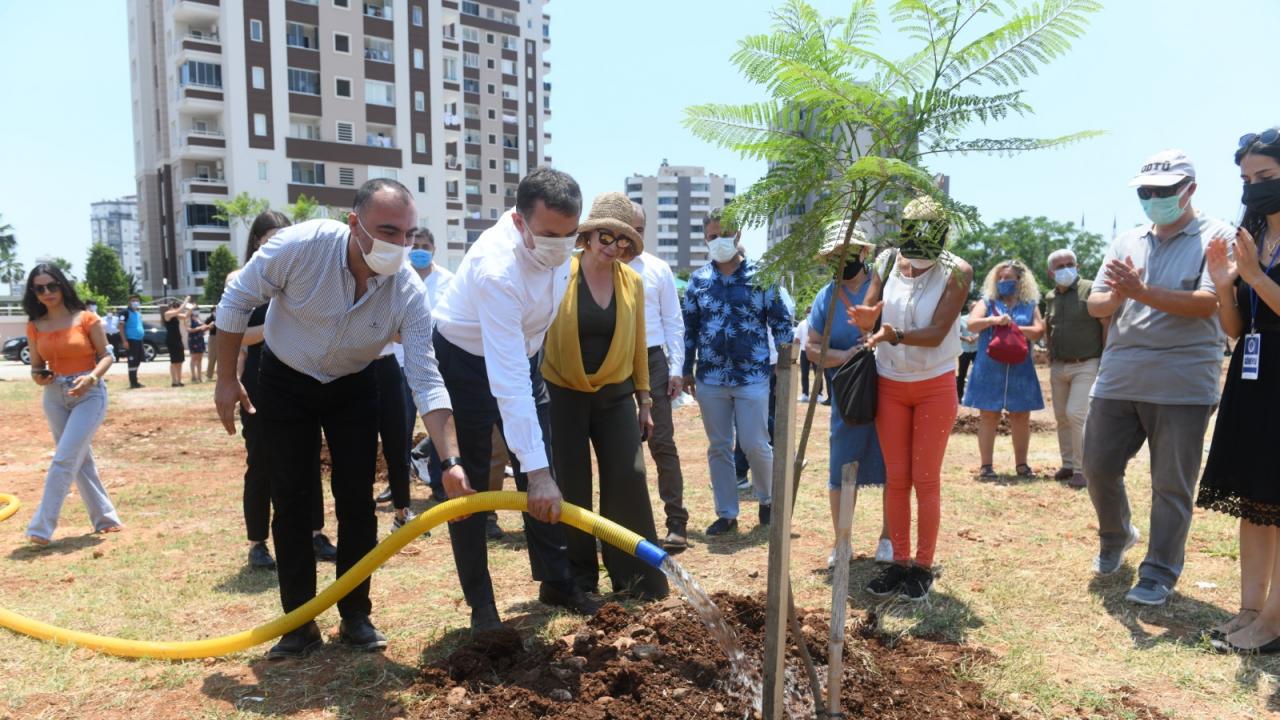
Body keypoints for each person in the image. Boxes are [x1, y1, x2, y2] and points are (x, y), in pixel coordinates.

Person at [215, 179, 463, 658]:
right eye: (387, 230)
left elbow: (426, 378)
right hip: (286, 379)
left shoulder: (408, 291)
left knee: (356, 502)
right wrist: (227, 379)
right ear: (354, 223)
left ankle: (355, 615)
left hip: (353, 385)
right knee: (291, 498)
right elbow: (234, 300)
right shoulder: (301, 247)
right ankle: (299, 622)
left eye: (408, 234)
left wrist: (449, 459)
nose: (400, 245)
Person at [431, 166, 601, 633]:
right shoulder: (496, 268)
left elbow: (524, 355)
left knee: (541, 469)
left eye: (570, 234)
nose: (561, 245)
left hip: (522, 356)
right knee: (467, 484)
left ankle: (556, 581)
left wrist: (539, 472)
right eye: (549, 234)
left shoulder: (560, 247)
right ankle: (482, 606)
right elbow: (504, 379)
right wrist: (537, 473)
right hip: (464, 360)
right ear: (518, 220)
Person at [1083, 149, 1229, 607]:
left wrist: (1141, 291)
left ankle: (1159, 572)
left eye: (1164, 192)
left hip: (1182, 381)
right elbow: (1096, 303)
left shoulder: (1217, 236)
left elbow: (1209, 304)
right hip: (1120, 375)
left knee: (1171, 484)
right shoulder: (1127, 241)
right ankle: (1116, 535)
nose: (1153, 199)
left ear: (1190, 190)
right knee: (1097, 465)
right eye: (1146, 192)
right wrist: (1117, 298)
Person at [542, 192, 668, 599]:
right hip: (563, 392)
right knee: (571, 486)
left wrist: (645, 399)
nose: (615, 247)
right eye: (607, 237)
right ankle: (577, 578)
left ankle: (634, 577)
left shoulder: (632, 281)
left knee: (628, 479)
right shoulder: (561, 272)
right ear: (589, 234)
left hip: (616, 394)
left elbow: (638, 344)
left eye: (625, 241)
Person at [849, 196, 972, 601]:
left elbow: (938, 332)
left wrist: (893, 334)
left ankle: (922, 566)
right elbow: (870, 306)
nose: (916, 261)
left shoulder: (957, 271)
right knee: (896, 478)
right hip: (890, 383)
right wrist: (868, 319)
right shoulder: (886, 261)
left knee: (925, 478)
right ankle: (899, 563)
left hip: (935, 383)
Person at [1198, 129, 1280, 652]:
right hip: (1252, 381)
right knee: (1255, 501)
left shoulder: (1256, 253)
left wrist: (1253, 273)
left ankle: (1274, 623)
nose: (1253, 189)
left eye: (1266, 177)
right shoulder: (1252, 236)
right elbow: (1235, 329)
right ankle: (1250, 609)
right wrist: (1226, 283)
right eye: (1247, 179)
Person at [231, 210, 335, 571]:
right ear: (257, 240)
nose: (278, 241)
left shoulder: (301, 274)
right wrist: (275, 324)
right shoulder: (241, 278)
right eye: (271, 235)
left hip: (300, 374)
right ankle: (258, 543)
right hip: (260, 379)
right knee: (260, 460)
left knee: (308, 459)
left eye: (285, 234)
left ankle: (315, 533)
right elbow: (235, 335)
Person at [682, 208, 793, 536]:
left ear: (738, 236)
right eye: (712, 236)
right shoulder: (698, 281)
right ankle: (726, 513)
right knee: (719, 445)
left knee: (755, 443)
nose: (718, 241)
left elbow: (781, 322)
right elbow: (690, 327)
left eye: (724, 235)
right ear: (705, 238)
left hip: (753, 376)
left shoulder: (762, 276)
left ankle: (768, 497)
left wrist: (785, 364)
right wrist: (687, 369)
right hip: (711, 378)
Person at [805, 226, 890, 568]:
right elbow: (811, 347)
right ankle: (842, 541)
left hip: (888, 386)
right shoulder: (826, 296)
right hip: (848, 393)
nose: (841, 261)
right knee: (842, 465)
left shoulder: (886, 287)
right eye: (834, 257)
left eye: (848, 253)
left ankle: (888, 537)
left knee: (891, 464)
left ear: (864, 253)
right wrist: (844, 357)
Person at [22, 264, 123, 545]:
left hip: (89, 394)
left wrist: (91, 378)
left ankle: (41, 527)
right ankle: (105, 518)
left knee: (64, 458)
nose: (46, 292)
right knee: (79, 458)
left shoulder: (87, 319)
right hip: (54, 396)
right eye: (39, 288)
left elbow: (107, 356)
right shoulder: (34, 325)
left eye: (51, 286)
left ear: (62, 285)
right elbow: (35, 367)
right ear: (33, 292)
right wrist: (40, 378)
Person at [625, 201, 689, 550]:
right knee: (622, 448)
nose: (634, 236)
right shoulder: (601, 267)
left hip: (653, 361)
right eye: (628, 228)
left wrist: (676, 368)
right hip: (615, 364)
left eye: (640, 229)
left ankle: (676, 522)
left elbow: (673, 322)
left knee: (662, 443)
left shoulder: (658, 269)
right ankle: (628, 527)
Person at [962, 260, 1045, 479]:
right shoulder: (987, 302)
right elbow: (972, 324)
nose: (1003, 282)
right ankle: (986, 466)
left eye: (1008, 278)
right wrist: (993, 320)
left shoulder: (1030, 305)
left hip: (1020, 369)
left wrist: (1015, 327)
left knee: (1021, 416)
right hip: (989, 368)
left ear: (1020, 280)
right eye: (999, 278)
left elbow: (1038, 331)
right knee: (988, 416)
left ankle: (1022, 465)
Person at [1044, 249, 1106, 489]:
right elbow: (1050, 326)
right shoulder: (1050, 297)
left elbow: (1105, 323)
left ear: (1077, 267)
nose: (1066, 269)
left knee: (1076, 414)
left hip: (1087, 362)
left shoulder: (1092, 289)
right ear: (1051, 272)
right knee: (1061, 417)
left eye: (1070, 264)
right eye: (1060, 266)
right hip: (1059, 365)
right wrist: (1050, 353)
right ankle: (1068, 464)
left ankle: (1083, 470)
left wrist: (1106, 356)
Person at [162, 297, 189, 387]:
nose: (177, 308)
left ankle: (179, 380)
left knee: (180, 361)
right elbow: (179, 311)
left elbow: (185, 316)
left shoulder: (176, 315)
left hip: (178, 339)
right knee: (174, 362)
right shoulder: (167, 314)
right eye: (175, 306)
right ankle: (174, 381)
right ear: (171, 306)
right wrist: (185, 301)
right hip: (171, 340)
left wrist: (191, 309)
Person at [121, 294, 145, 389]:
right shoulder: (125, 313)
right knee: (132, 361)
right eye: (133, 301)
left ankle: (135, 381)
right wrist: (124, 341)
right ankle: (133, 383)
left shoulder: (138, 313)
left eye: (137, 301)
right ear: (129, 302)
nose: (135, 302)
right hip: (131, 340)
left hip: (139, 340)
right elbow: (121, 327)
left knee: (138, 361)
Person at [955, 304, 978, 400]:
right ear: (969, 308)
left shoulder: (980, 320)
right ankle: (958, 397)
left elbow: (983, 331)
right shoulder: (962, 319)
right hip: (964, 350)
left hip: (976, 350)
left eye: (976, 307)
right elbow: (956, 333)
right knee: (962, 374)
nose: (974, 308)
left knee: (977, 374)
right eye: (973, 307)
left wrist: (976, 337)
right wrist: (965, 338)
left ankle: (976, 397)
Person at [187, 305, 210, 383]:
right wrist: (199, 328)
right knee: (194, 358)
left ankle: (199, 377)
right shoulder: (188, 318)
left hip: (200, 340)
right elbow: (188, 329)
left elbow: (203, 327)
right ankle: (193, 377)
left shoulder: (198, 318)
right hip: (193, 340)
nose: (196, 310)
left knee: (200, 359)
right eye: (194, 309)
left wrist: (208, 326)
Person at [204, 307, 218, 379]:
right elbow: (203, 327)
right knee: (212, 357)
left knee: (221, 358)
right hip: (213, 337)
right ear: (212, 311)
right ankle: (209, 376)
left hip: (221, 337)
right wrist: (210, 326)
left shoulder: (221, 317)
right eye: (215, 310)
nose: (216, 311)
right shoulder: (209, 318)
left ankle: (220, 375)